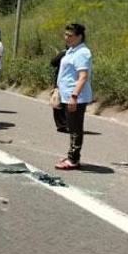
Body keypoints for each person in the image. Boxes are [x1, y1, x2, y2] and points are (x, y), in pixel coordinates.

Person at [55, 23, 92, 170]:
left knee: (76, 128)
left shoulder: (82, 53)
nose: (67, 38)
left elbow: (83, 76)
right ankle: (71, 154)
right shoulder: (72, 51)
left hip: (76, 96)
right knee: (71, 127)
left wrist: (74, 96)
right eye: (66, 35)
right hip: (67, 94)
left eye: (70, 36)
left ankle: (73, 159)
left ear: (79, 37)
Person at [50, 48, 69, 132]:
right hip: (71, 83)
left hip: (60, 82)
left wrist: (59, 54)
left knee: (58, 102)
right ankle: (66, 124)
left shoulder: (64, 53)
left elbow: (53, 63)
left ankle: (61, 124)